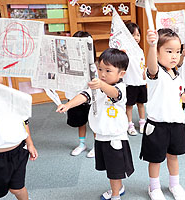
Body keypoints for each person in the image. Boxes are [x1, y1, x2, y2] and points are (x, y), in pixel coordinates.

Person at [56, 48, 134, 200]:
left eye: (108, 70)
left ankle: (116, 195)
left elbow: (114, 94)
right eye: (100, 69)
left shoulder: (120, 88)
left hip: (115, 137)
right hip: (100, 137)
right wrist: (68, 105)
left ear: (121, 74)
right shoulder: (99, 86)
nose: (102, 74)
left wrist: (100, 85)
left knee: (114, 170)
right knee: (111, 168)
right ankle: (118, 187)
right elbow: (84, 95)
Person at [140, 29, 185, 200]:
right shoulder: (155, 73)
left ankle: (174, 184)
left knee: (173, 156)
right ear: (157, 52)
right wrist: (151, 45)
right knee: (155, 160)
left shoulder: (176, 74)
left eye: (178, 51)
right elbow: (151, 65)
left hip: (176, 124)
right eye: (169, 51)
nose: (174, 56)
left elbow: (179, 95)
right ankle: (154, 187)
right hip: (157, 125)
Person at [0, 76, 38, 200]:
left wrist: (30, 143)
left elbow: (24, 122)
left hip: (18, 152)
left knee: (17, 188)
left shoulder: (14, 96)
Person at [64, 31, 96, 157]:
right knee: (80, 122)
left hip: (90, 99)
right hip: (74, 98)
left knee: (94, 123)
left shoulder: (93, 65)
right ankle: (82, 144)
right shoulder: (68, 62)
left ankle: (96, 146)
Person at [123, 22, 147, 136]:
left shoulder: (140, 50)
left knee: (141, 103)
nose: (136, 38)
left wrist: (144, 72)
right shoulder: (124, 51)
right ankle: (129, 124)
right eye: (133, 35)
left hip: (141, 82)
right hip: (129, 83)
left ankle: (142, 122)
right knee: (129, 105)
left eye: (138, 35)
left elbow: (142, 64)